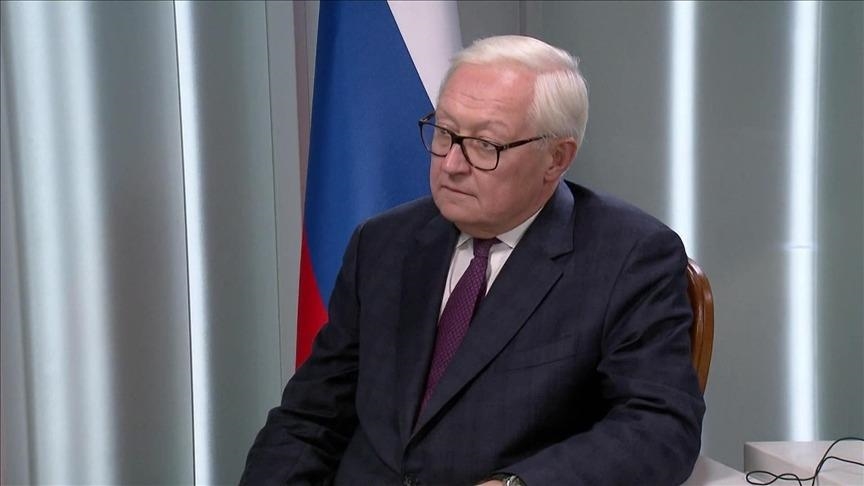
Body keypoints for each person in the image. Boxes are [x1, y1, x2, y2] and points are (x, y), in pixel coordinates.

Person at [241, 35, 705, 486]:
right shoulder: (382, 243)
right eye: (445, 133)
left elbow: (659, 427)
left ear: (556, 158)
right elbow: (311, 417)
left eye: (486, 145)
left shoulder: (628, 256)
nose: (451, 164)